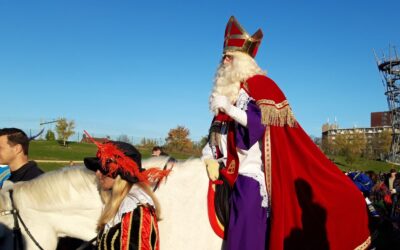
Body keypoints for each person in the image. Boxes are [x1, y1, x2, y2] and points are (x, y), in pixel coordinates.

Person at [202, 16, 371, 249]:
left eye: (229, 58)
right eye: (223, 58)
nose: (224, 62)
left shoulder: (257, 87)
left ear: (241, 62)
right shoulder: (227, 96)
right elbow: (212, 139)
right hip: (223, 171)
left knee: (246, 198)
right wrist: (207, 158)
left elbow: (257, 123)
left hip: (249, 173)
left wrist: (228, 108)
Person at [83, 132, 170, 250]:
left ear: (120, 174)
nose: (97, 173)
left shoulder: (136, 210)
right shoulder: (120, 204)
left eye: (103, 169)